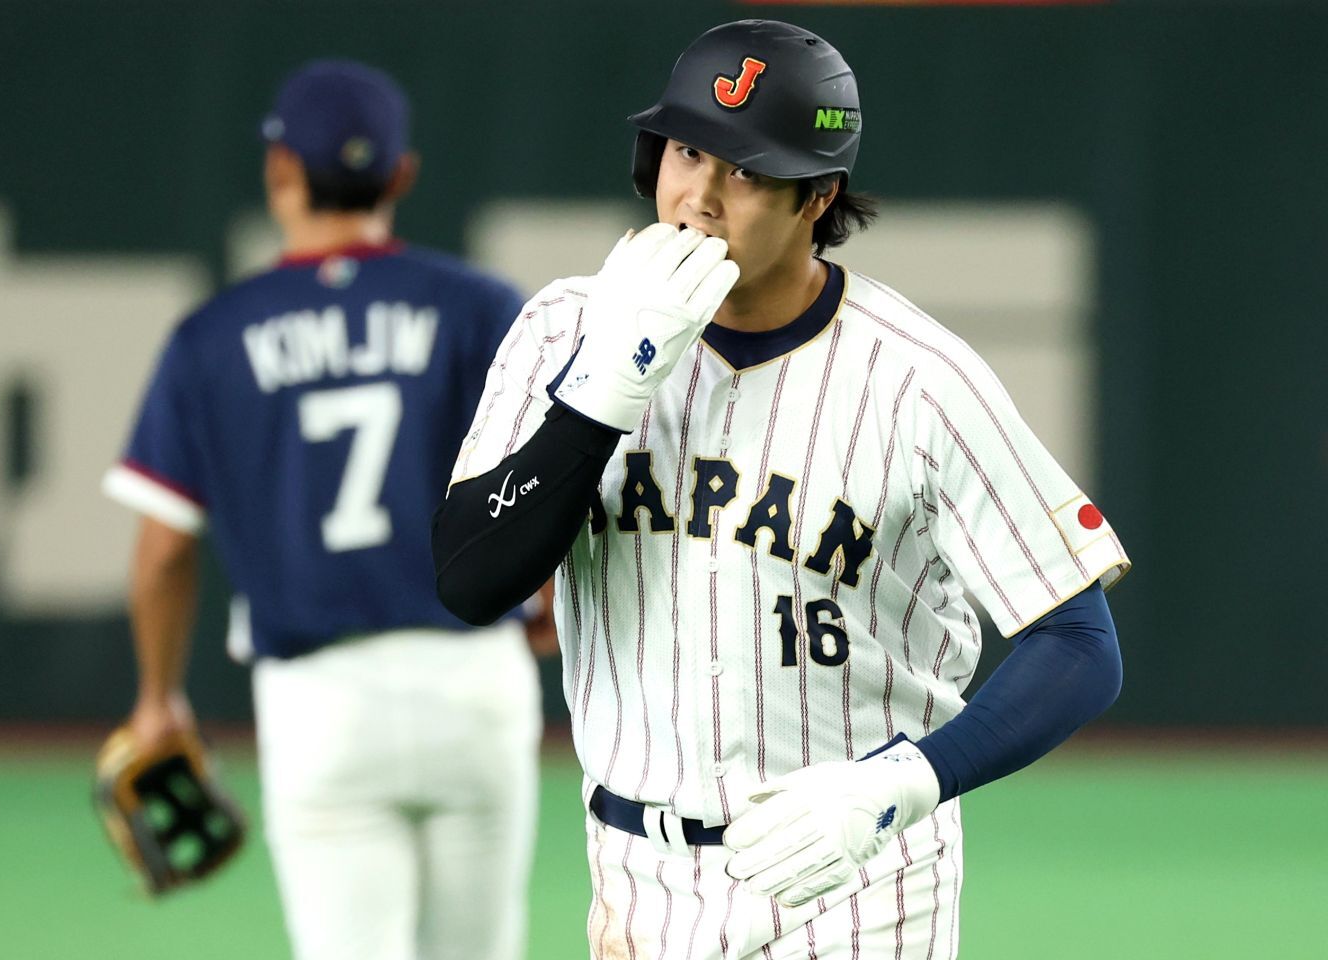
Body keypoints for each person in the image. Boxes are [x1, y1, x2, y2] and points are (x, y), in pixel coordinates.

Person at [432, 19, 1130, 959]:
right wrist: (601, 392)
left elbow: (1080, 644)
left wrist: (900, 785)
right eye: (688, 151)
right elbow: (471, 578)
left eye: (747, 170)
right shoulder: (564, 331)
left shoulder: (917, 378)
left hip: (858, 886)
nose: (701, 197)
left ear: (819, 195)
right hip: (638, 880)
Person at [102, 60, 548, 960]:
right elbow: (557, 483)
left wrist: (158, 700)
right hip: (476, 687)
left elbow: (163, 552)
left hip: (320, 705)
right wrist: (547, 602)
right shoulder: (480, 309)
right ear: (401, 174)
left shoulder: (212, 337)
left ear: (279, 169)